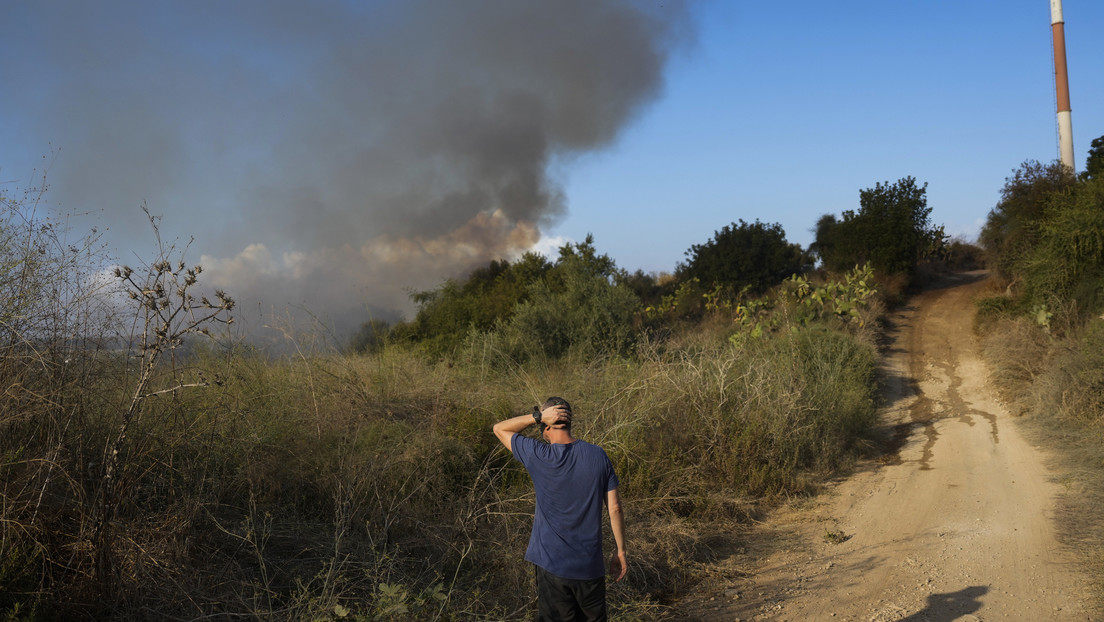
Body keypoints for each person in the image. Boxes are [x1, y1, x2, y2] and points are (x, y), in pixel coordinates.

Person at [492, 397, 627, 622]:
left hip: (552, 566)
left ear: (546, 424)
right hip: (589, 567)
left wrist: (536, 417)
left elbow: (499, 428)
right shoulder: (598, 455)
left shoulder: (538, 454)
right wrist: (620, 550)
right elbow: (615, 508)